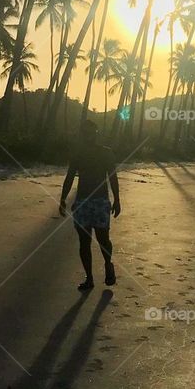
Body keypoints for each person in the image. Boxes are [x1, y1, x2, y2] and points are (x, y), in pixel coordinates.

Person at [59, 120, 121, 291]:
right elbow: (70, 177)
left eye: (91, 132)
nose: (88, 135)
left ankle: (108, 264)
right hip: (82, 202)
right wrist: (63, 198)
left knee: (103, 239)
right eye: (85, 132)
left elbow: (113, 177)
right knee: (84, 242)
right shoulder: (77, 154)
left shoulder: (106, 153)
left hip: (101, 201)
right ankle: (89, 278)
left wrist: (117, 199)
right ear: (82, 134)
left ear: (96, 133)